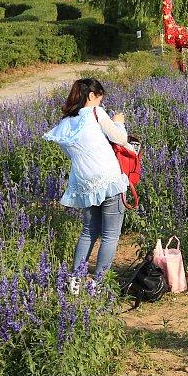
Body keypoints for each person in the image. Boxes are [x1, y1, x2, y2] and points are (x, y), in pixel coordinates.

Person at [43, 78, 129, 292]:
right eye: (100, 98)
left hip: (84, 184)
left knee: (88, 231)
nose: (101, 103)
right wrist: (118, 121)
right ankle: (99, 284)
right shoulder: (96, 113)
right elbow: (120, 138)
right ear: (91, 96)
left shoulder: (65, 123)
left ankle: (75, 282)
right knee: (110, 235)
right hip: (108, 180)